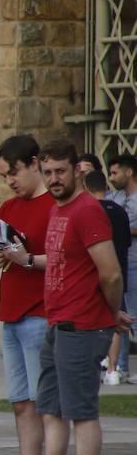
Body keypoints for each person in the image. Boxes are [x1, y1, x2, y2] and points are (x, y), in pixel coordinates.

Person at [7, 142, 133, 455]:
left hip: (83, 323)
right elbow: (61, 261)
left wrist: (111, 312)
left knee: (81, 410)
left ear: (78, 170)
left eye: (60, 171)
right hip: (57, 321)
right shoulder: (59, 210)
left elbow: (109, 271)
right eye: (48, 173)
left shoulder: (88, 211)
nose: (54, 179)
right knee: (51, 406)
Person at [0, 137, 54, 455]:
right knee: (20, 400)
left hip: (40, 312)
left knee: (43, 401)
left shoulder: (54, 205)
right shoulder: (9, 206)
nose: (9, 180)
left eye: (13, 172)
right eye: (5, 175)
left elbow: (60, 259)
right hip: (11, 311)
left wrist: (26, 259)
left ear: (33, 163)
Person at [87, 170, 134, 387]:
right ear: (105, 185)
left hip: (93, 272)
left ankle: (96, 365)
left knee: (92, 321)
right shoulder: (118, 211)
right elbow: (125, 242)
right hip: (119, 270)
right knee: (115, 318)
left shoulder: (87, 210)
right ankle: (114, 368)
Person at [101, 155, 137, 383]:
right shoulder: (117, 198)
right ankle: (119, 366)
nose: (112, 178)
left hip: (134, 265)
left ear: (129, 172)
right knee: (119, 318)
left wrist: (120, 228)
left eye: (115, 173)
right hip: (121, 265)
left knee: (135, 316)